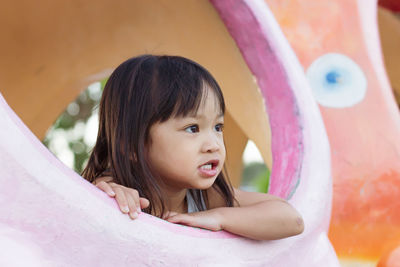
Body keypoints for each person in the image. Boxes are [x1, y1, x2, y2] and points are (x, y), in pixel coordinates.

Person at [82, 55, 304, 240]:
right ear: (131, 145)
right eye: (192, 128)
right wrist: (107, 192)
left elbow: (291, 219)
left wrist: (220, 217)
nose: (214, 145)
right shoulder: (113, 191)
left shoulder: (205, 198)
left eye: (218, 127)